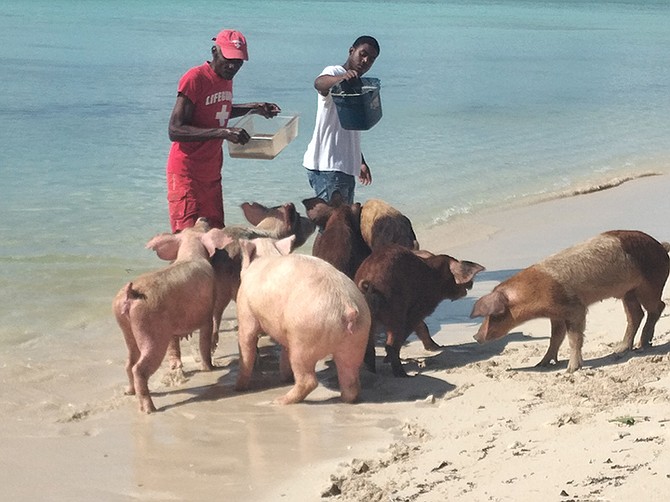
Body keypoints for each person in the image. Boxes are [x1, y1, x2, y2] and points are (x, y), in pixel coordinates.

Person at [166, 29, 281, 232]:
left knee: (216, 237)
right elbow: (175, 129)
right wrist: (224, 132)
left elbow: (219, 109)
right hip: (187, 174)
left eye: (238, 62)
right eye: (228, 59)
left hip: (211, 173)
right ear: (214, 51)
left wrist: (255, 107)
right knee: (188, 239)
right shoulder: (195, 78)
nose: (232, 66)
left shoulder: (226, 78)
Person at [303, 35, 380, 204]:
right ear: (351, 51)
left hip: (346, 168)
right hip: (327, 167)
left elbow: (348, 128)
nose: (365, 61)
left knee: (343, 228)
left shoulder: (357, 84)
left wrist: (359, 161)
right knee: (332, 227)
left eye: (371, 59)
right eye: (362, 54)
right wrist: (341, 79)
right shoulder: (335, 72)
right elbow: (319, 83)